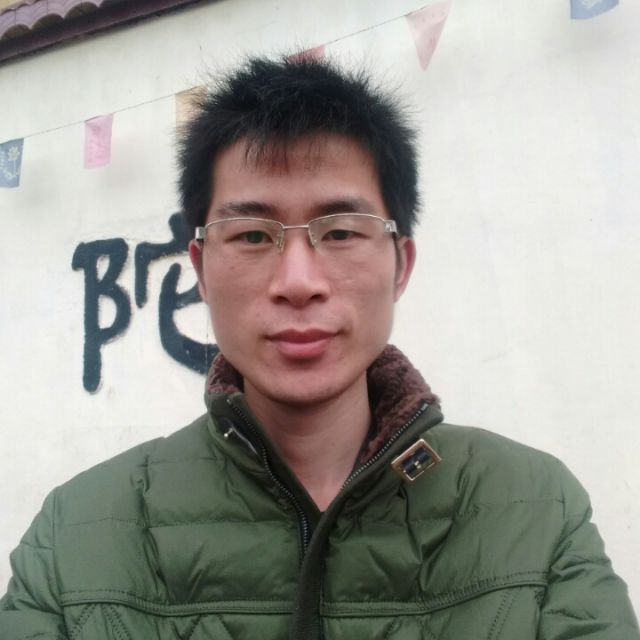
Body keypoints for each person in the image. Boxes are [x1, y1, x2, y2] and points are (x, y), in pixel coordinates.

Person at [1, 56, 638, 640]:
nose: (298, 282)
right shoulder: (72, 540)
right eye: (252, 235)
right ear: (200, 269)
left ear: (401, 265)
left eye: (340, 231)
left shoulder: (537, 512)